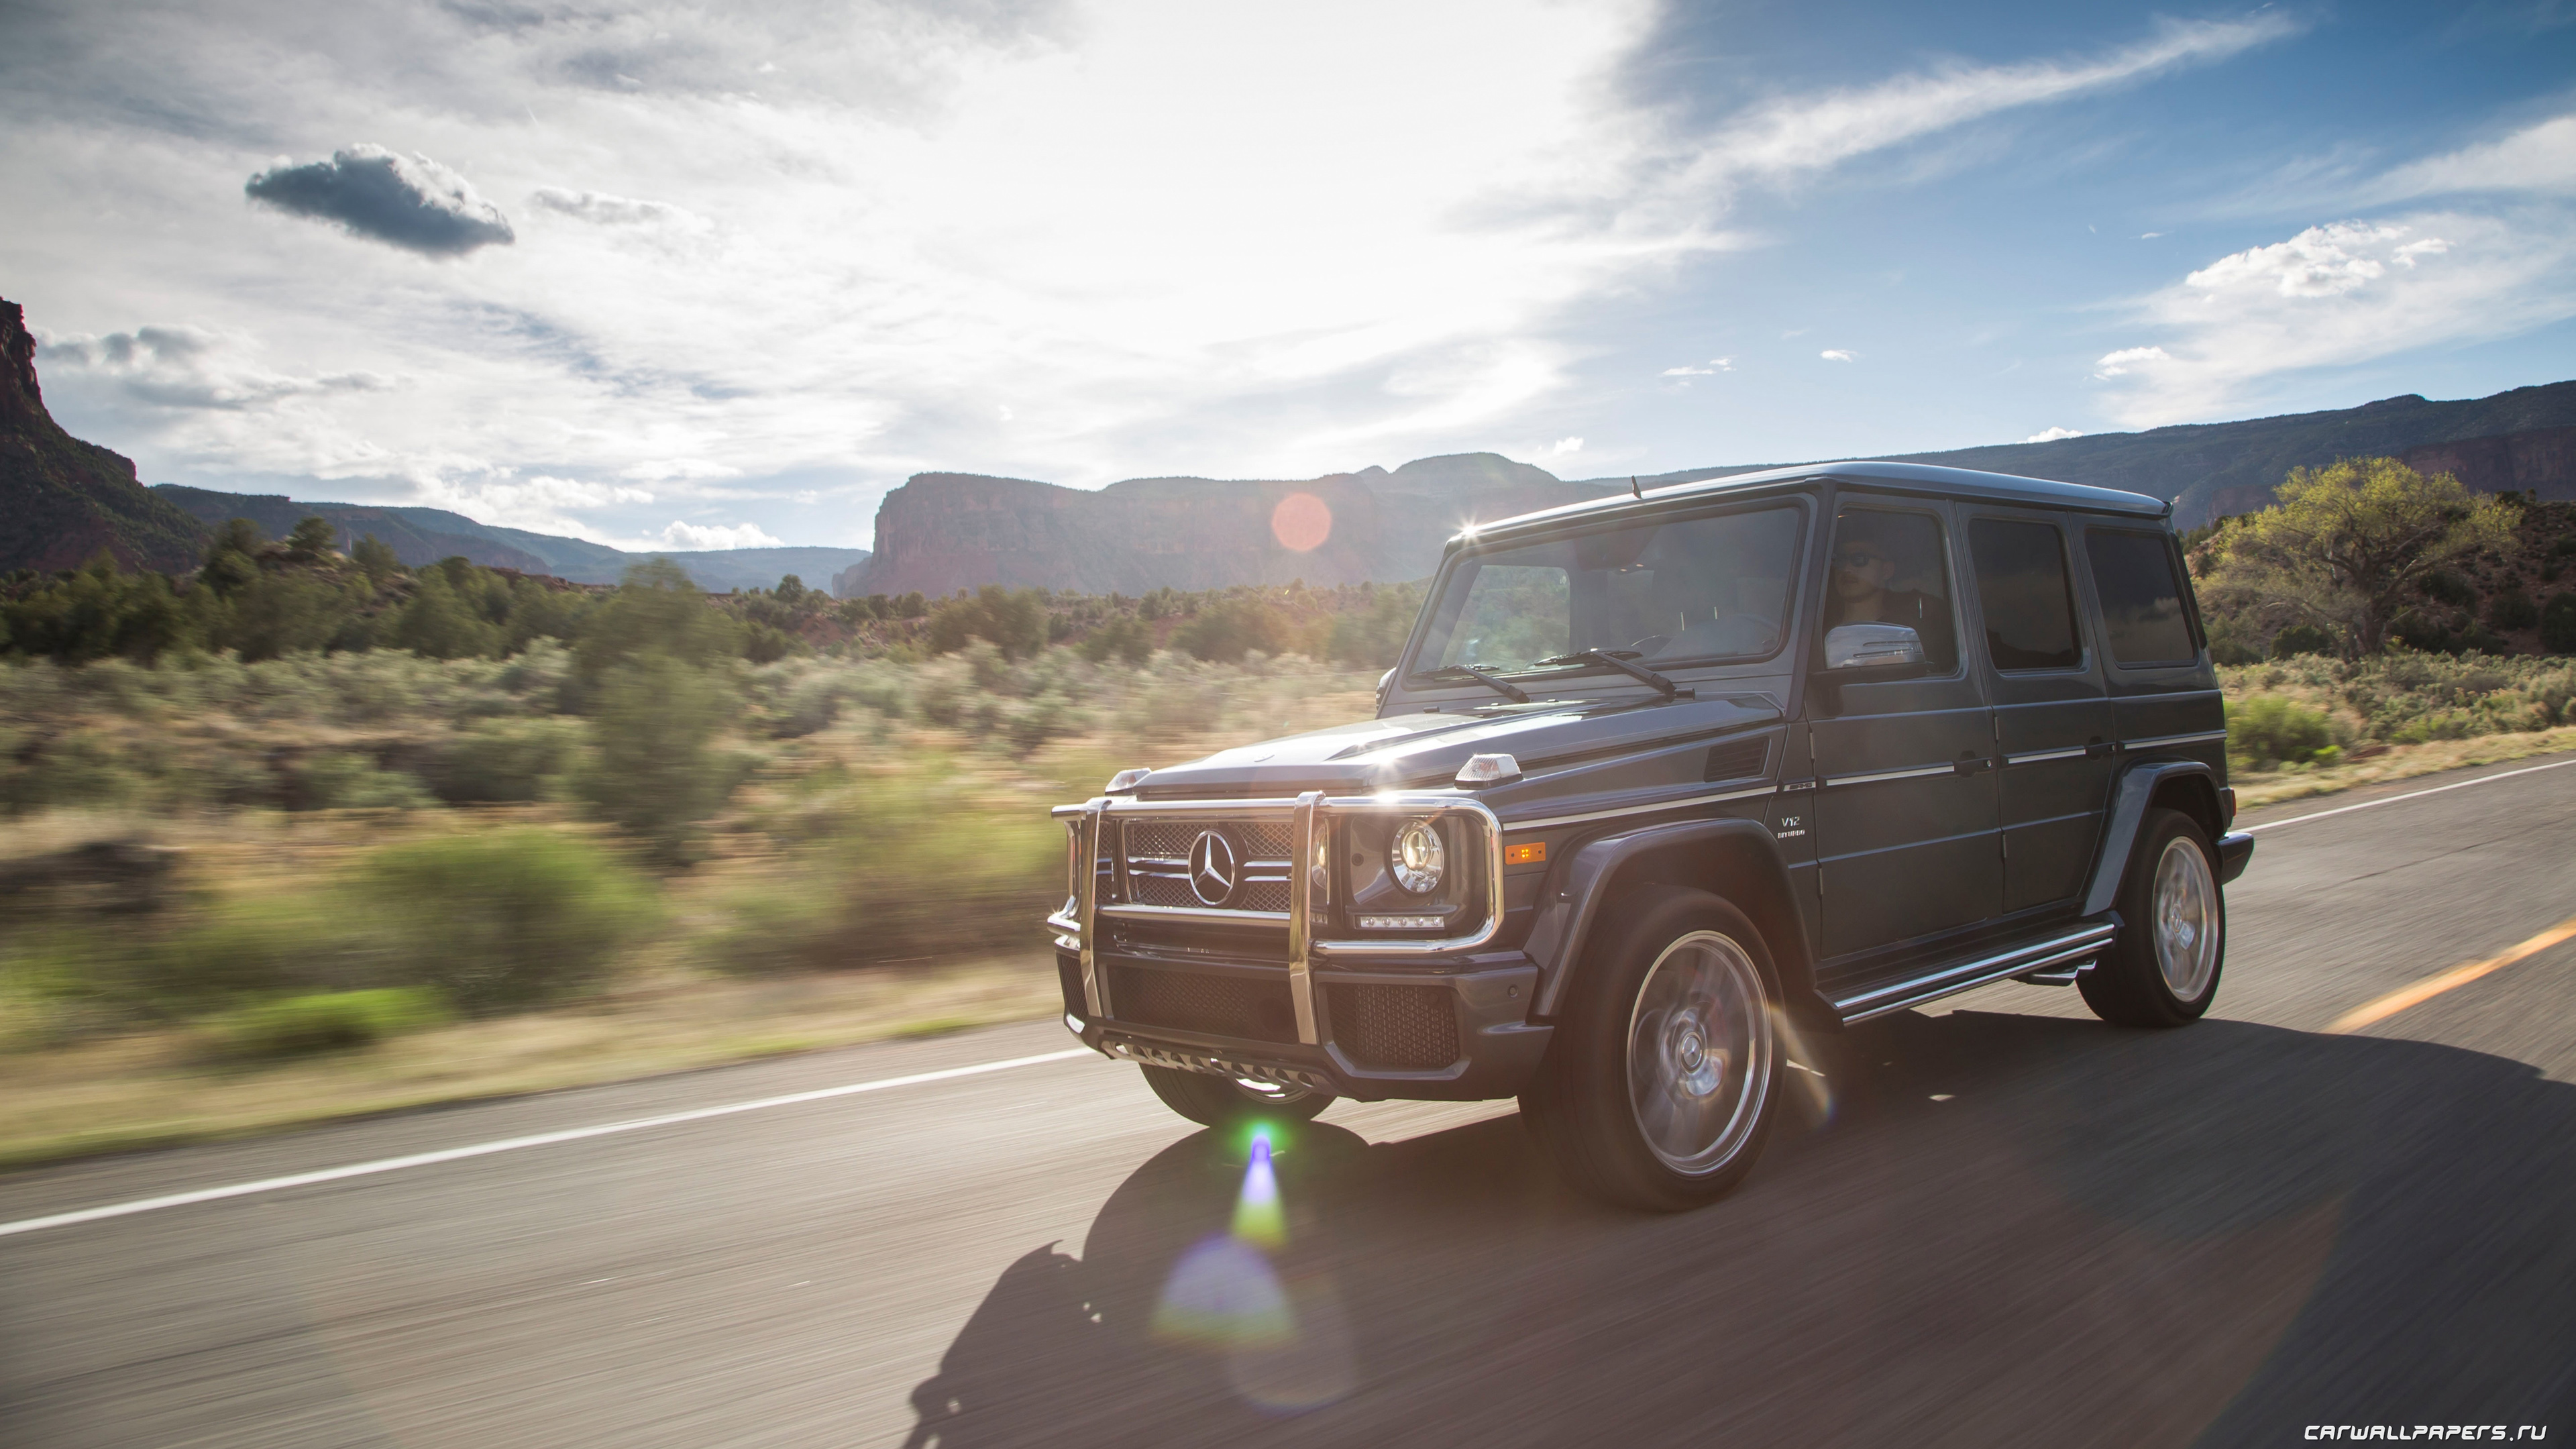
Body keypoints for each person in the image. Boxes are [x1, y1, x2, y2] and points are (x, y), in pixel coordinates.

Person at [1824, 515, 1955, 670]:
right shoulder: (1816, 628)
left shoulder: (1907, 634)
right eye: (1839, 560)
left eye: (1859, 559)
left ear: (1886, 570)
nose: (1846, 568)